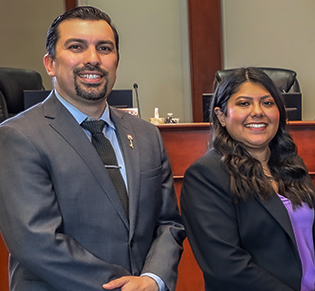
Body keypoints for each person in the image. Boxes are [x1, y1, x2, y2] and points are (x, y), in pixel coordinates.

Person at [0, 6, 185, 291]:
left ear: (116, 62)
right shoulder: (18, 136)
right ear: (50, 63)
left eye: (104, 48)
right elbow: (35, 242)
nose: (93, 59)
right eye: (76, 47)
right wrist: (123, 288)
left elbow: (169, 223)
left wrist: (152, 279)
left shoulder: (146, 135)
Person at [179, 67, 315, 291]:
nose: (257, 111)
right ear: (221, 116)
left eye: (267, 103)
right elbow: (226, 266)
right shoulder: (206, 175)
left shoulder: (292, 165)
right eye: (243, 103)